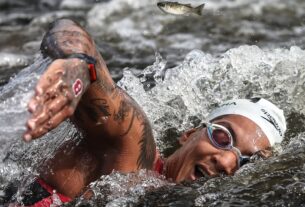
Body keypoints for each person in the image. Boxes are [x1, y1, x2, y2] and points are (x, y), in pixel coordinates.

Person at [18, 19, 286, 206]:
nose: (228, 162)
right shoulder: (133, 149)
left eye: (245, 162)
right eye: (223, 137)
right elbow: (72, 33)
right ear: (189, 133)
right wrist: (76, 64)